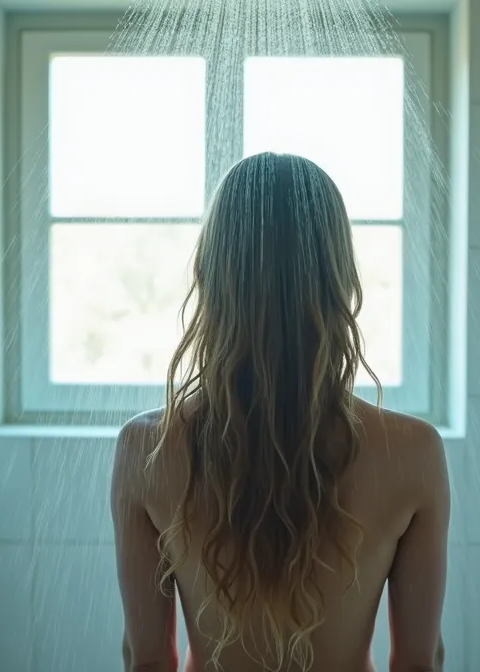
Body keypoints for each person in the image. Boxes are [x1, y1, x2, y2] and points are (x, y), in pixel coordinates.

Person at [111, 152, 449, 672]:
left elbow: (150, 660)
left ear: (211, 274)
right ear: (339, 277)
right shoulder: (411, 453)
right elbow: (417, 663)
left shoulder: (147, 449)